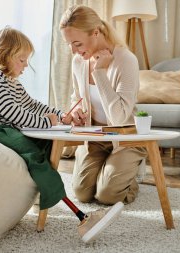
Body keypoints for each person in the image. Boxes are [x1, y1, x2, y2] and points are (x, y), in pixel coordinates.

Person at [0, 27, 123, 243]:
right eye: (22, 59)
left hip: (9, 130)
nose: (26, 65)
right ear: (5, 54)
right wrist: (47, 122)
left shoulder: (11, 82)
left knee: (49, 144)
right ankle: (80, 216)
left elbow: (32, 105)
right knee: (35, 155)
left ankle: (42, 192)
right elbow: (18, 116)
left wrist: (62, 116)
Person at [60, 5, 147, 205]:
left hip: (126, 138)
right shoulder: (78, 61)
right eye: (69, 44)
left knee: (107, 195)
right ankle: (112, 171)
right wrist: (77, 114)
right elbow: (77, 98)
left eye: (77, 43)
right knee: (83, 193)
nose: (74, 51)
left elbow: (118, 117)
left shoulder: (126, 61)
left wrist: (99, 73)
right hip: (96, 137)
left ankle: (130, 175)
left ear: (96, 33)